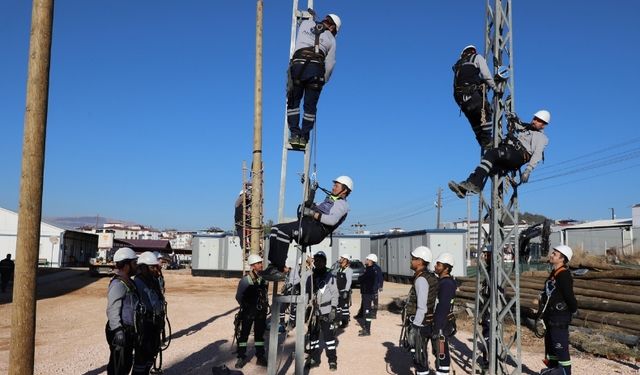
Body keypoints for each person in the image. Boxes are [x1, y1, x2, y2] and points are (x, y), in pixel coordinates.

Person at [262, 176, 352, 281]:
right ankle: (273, 266)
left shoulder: (342, 205)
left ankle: (280, 268)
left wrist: (312, 213)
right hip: (308, 224)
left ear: (344, 190)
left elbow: (331, 220)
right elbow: (311, 205)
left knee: (284, 232)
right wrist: (310, 188)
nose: (333, 188)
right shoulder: (327, 201)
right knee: (275, 229)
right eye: (334, 185)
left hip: (317, 231)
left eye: (336, 186)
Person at [449, 110, 551, 199]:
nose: (534, 121)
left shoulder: (542, 138)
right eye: (534, 118)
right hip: (510, 152)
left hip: (518, 156)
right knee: (487, 165)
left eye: (538, 120)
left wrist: (528, 170)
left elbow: (537, 155)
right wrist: (510, 116)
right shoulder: (526, 128)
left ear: (544, 125)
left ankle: (476, 185)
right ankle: (465, 188)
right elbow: (516, 124)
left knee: (491, 154)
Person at [286, 12, 341, 147]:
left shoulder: (305, 24)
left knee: (293, 102)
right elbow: (330, 64)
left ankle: (294, 134)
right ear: (333, 28)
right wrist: (324, 80)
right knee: (310, 107)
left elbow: (303, 24)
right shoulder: (332, 40)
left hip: (298, 67)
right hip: (315, 71)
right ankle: (304, 137)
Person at [539, 245, 578, 375]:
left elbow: (569, 296)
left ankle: (565, 371)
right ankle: (553, 367)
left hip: (559, 317)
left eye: (555, 254)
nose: (551, 255)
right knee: (551, 345)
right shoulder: (553, 274)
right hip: (550, 316)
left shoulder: (564, 275)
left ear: (562, 258)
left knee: (560, 346)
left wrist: (573, 309)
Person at [452, 45, 499, 149]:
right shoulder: (476, 57)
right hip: (471, 94)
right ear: (473, 51)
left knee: (474, 120)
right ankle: (487, 141)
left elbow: (467, 77)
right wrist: (495, 88)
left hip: (460, 99)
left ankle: (482, 141)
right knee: (486, 113)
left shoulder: (458, 65)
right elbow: (486, 75)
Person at [400, 246, 438, 375]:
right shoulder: (430, 276)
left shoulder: (421, 279)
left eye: (413, 259)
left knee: (419, 357)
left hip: (420, 324)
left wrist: (415, 327)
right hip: (427, 321)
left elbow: (422, 306)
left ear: (420, 261)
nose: (411, 261)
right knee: (421, 355)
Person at [105, 247, 139, 375]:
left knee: (126, 364)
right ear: (126, 265)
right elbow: (112, 309)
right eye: (134, 263)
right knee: (118, 366)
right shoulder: (118, 284)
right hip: (120, 330)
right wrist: (118, 331)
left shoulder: (128, 281)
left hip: (128, 330)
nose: (136, 266)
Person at [132, 251, 166, 374]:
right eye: (151, 267)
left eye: (154, 266)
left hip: (154, 323)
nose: (154, 269)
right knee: (142, 356)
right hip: (145, 324)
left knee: (152, 354)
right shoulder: (137, 282)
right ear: (143, 268)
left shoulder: (153, 280)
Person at [305, 251, 339, 371]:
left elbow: (335, 294)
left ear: (325, 262)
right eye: (316, 260)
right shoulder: (311, 276)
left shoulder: (330, 277)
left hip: (326, 310)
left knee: (329, 338)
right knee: (313, 336)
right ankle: (314, 358)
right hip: (314, 311)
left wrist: (333, 309)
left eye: (320, 260)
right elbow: (306, 292)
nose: (318, 263)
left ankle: (332, 360)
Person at [235, 254, 269, 368]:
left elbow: (264, 294)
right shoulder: (246, 280)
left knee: (259, 336)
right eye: (258, 263)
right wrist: (246, 306)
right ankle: (241, 356)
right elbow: (239, 296)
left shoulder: (263, 279)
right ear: (252, 266)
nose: (260, 265)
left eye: (261, 263)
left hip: (260, 312)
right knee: (244, 335)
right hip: (248, 311)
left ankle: (260, 356)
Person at [433, 253, 457, 375]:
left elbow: (443, 306)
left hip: (442, 324)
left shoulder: (447, 284)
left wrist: (438, 327)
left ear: (446, 268)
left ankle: (443, 372)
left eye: (439, 264)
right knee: (439, 351)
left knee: (442, 352)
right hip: (440, 322)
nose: (436, 266)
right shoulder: (442, 282)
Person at [357, 253, 380, 336]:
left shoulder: (370, 270)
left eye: (367, 259)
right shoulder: (369, 269)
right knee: (366, 312)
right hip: (366, 293)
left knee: (367, 312)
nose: (366, 260)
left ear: (370, 261)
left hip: (368, 294)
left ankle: (367, 330)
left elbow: (361, 279)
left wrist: (361, 278)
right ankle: (366, 328)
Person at [333, 254, 353, 328]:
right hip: (338, 291)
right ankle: (337, 320)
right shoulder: (339, 269)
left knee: (344, 308)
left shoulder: (349, 270)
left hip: (344, 291)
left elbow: (349, 282)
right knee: (337, 307)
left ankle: (345, 322)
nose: (340, 259)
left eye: (342, 258)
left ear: (346, 260)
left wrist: (346, 291)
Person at [234, 185, 251, 249]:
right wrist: (247, 190)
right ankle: (245, 250)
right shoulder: (237, 204)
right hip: (240, 226)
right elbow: (242, 198)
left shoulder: (246, 206)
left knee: (250, 237)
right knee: (243, 241)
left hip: (246, 225)